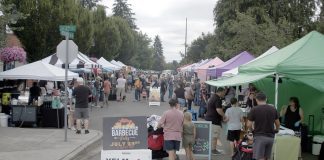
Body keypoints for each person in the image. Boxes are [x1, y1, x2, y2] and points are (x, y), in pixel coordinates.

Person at [247, 92, 280, 160]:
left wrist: (251, 131)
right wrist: (276, 130)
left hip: (259, 137)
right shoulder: (273, 109)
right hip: (271, 137)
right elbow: (278, 123)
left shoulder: (254, 109)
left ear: (256, 100)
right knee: (266, 157)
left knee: (260, 158)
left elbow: (249, 124)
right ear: (266, 99)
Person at [205, 87, 226, 155]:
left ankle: (212, 149)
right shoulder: (217, 99)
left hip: (209, 118)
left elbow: (216, 108)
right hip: (214, 120)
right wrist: (224, 115)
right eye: (224, 92)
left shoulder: (213, 97)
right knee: (215, 135)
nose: (224, 94)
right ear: (220, 91)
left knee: (212, 135)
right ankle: (213, 150)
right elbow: (218, 110)